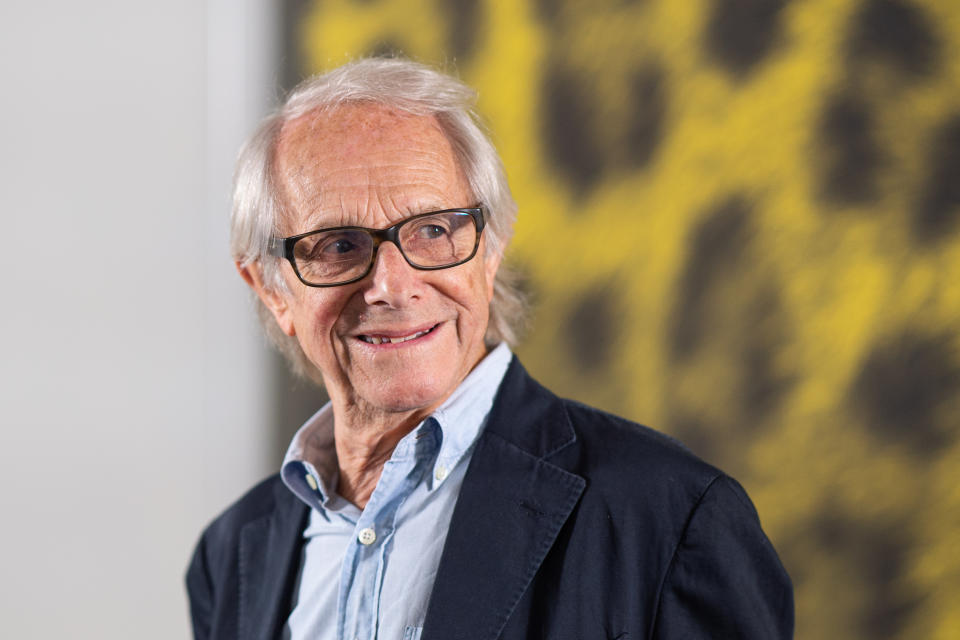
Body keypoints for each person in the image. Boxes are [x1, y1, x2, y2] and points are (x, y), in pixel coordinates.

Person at [186, 57, 794, 640]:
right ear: (272, 289)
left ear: (493, 245)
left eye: (433, 230)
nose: (392, 286)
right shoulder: (231, 554)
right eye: (339, 245)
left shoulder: (672, 519)